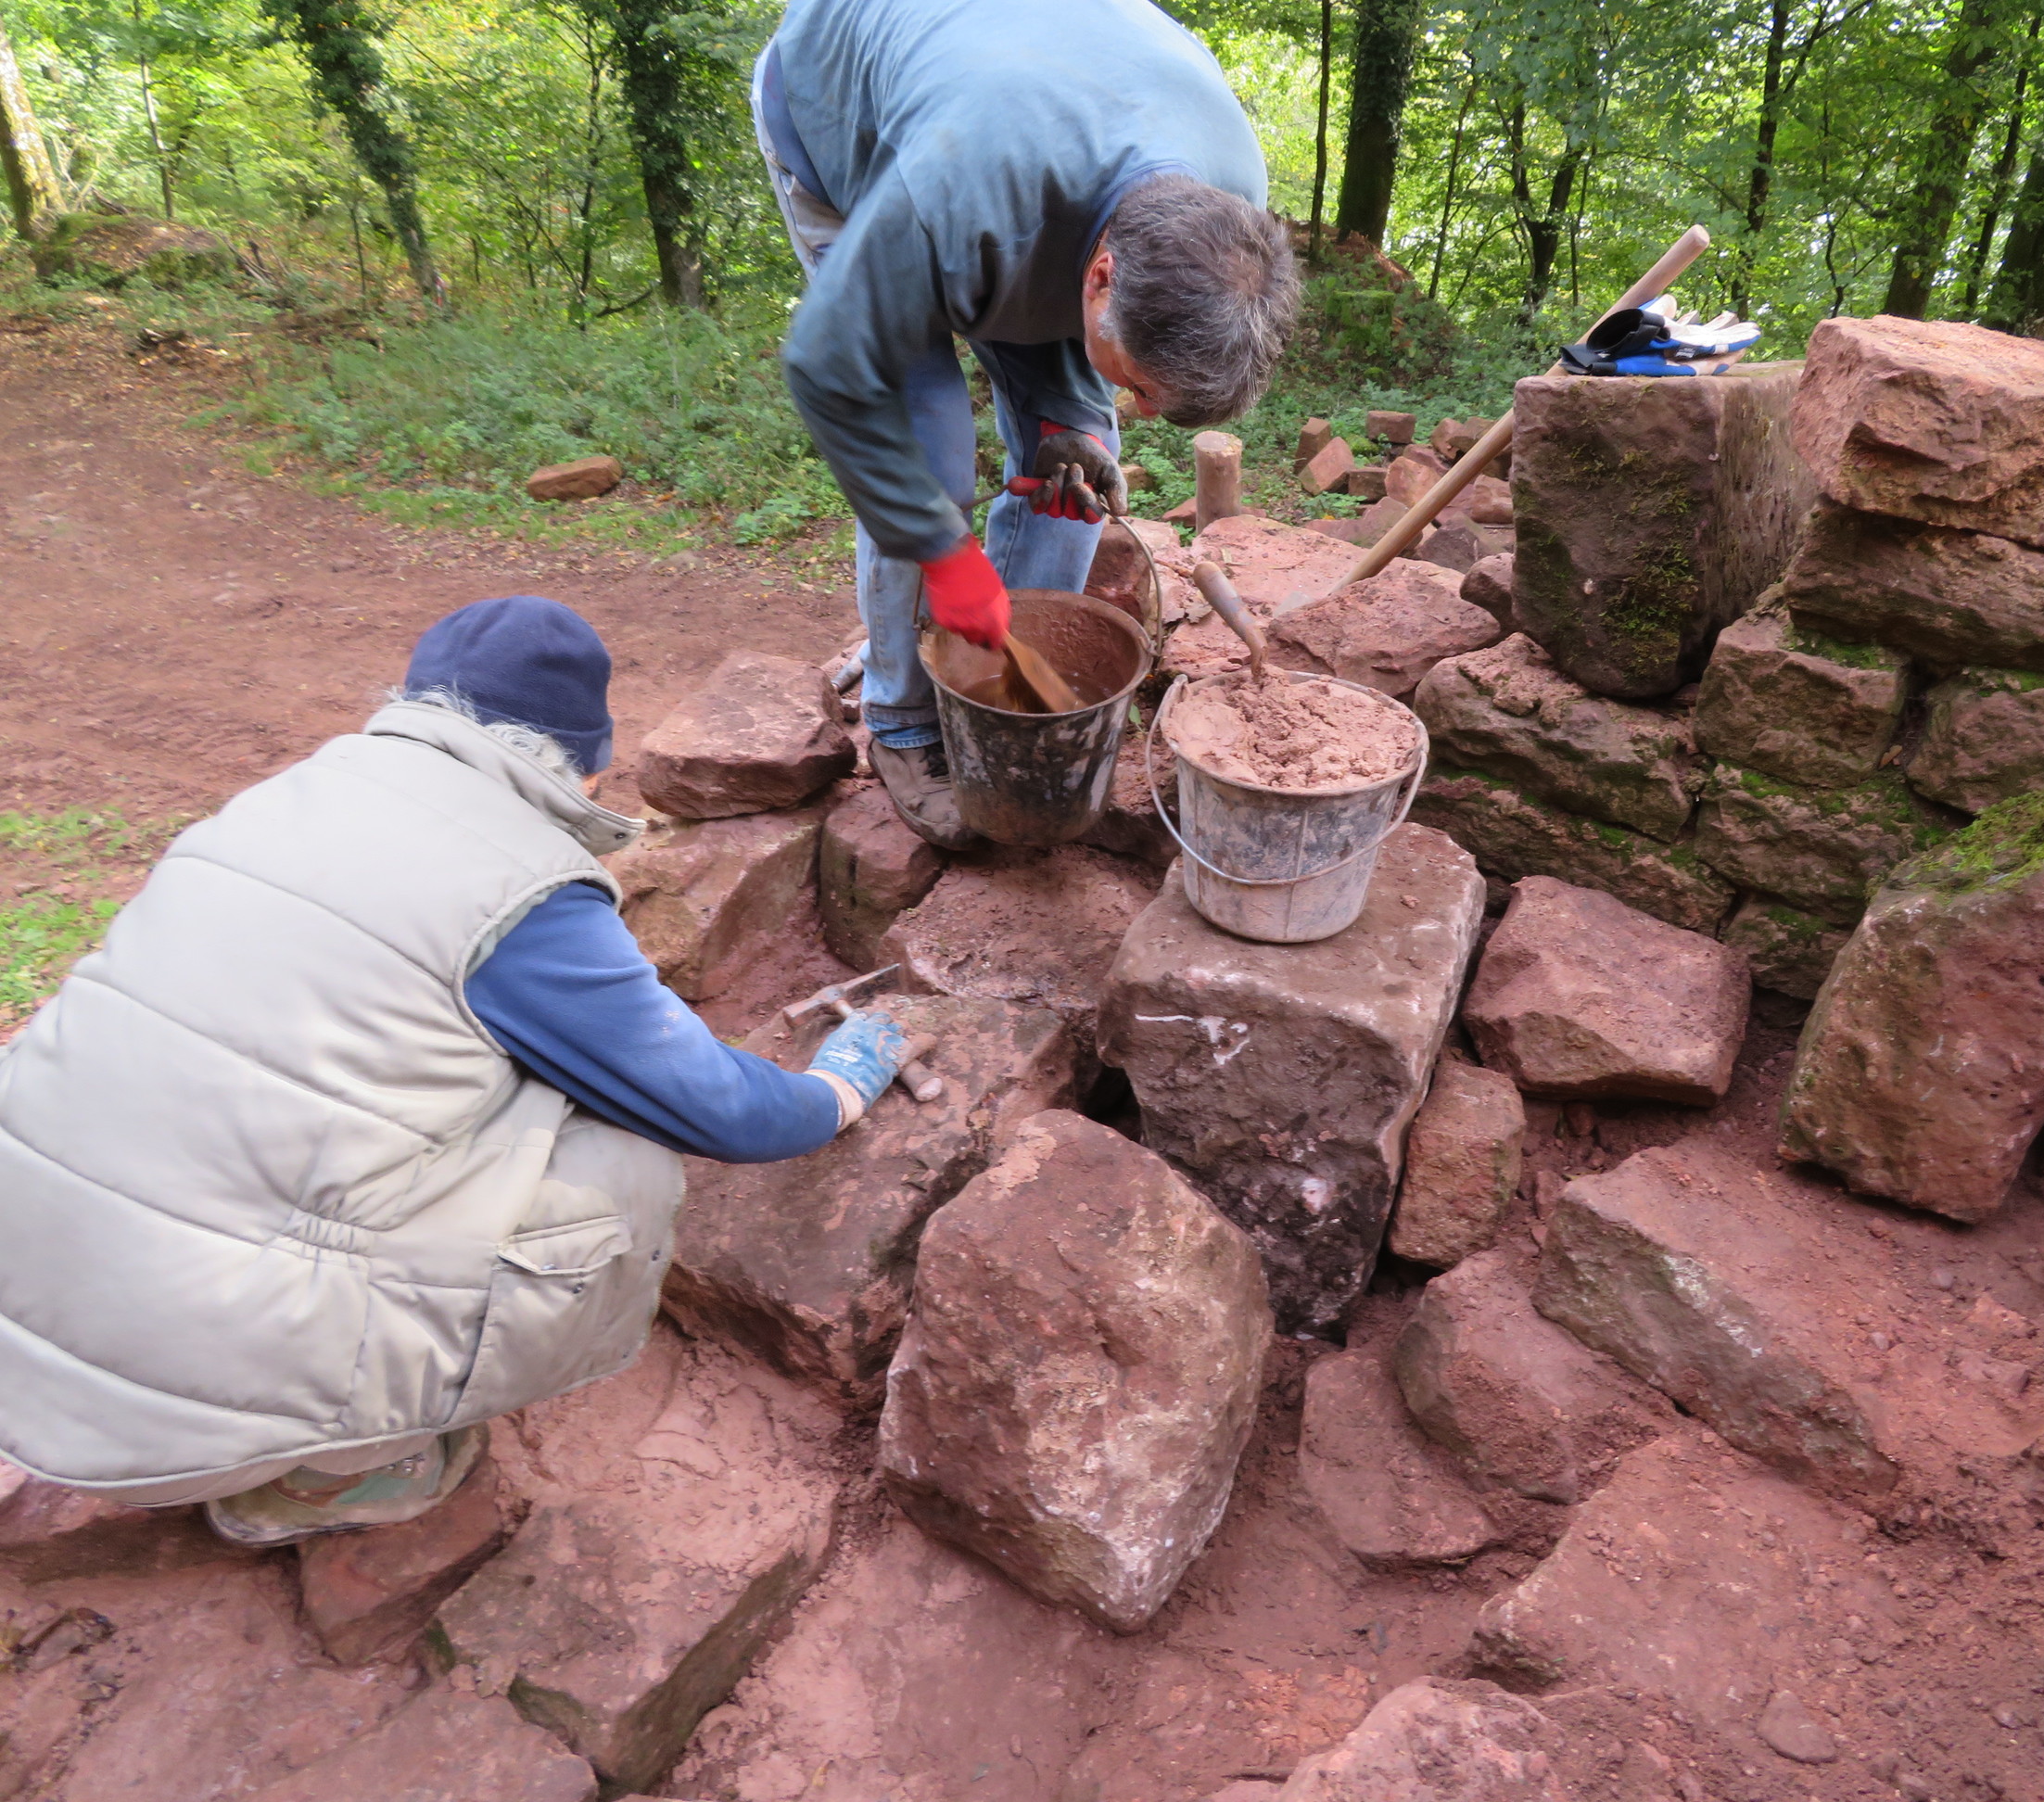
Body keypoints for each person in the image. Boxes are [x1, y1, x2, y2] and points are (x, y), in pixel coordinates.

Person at [0, 597, 906, 1546]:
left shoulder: (283, 797)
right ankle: (336, 1469)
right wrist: (836, 1090)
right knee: (619, 1155)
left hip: (28, 1290)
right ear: (584, 757)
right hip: (164, 1410)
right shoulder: (519, 886)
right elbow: (713, 1107)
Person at [754, 0, 1301, 848]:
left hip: (1035, 161)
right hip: (846, 125)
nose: (1142, 408)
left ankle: (992, 690)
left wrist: (1067, 425)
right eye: (1143, 385)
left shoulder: (1232, 217)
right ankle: (905, 721)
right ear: (1103, 277)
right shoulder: (957, 192)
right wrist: (943, 553)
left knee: (1078, 462)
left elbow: (1094, 290)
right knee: (929, 459)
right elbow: (829, 366)